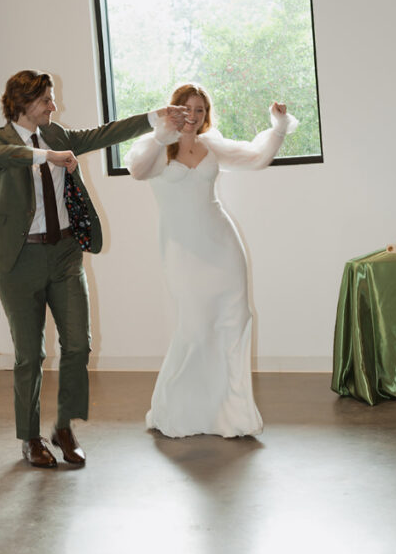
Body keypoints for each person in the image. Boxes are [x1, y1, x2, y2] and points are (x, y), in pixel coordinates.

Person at [0, 69, 186, 468]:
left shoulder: (58, 134)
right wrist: (44, 157)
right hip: (19, 261)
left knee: (78, 344)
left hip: (66, 253)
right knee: (28, 356)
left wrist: (155, 117)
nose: (55, 106)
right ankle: (30, 438)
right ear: (22, 103)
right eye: (47, 100)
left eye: (52, 99)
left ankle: (64, 427)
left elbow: (102, 134)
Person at [125, 83, 297, 439]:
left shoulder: (211, 145)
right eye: (187, 109)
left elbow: (255, 157)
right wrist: (160, 134)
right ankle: (181, 410)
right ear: (174, 110)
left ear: (206, 114)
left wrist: (278, 126)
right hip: (181, 250)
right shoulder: (157, 147)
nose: (194, 116)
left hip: (222, 246)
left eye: (200, 110)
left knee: (233, 323)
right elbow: (138, 171)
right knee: (193, 327)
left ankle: (230, 414)